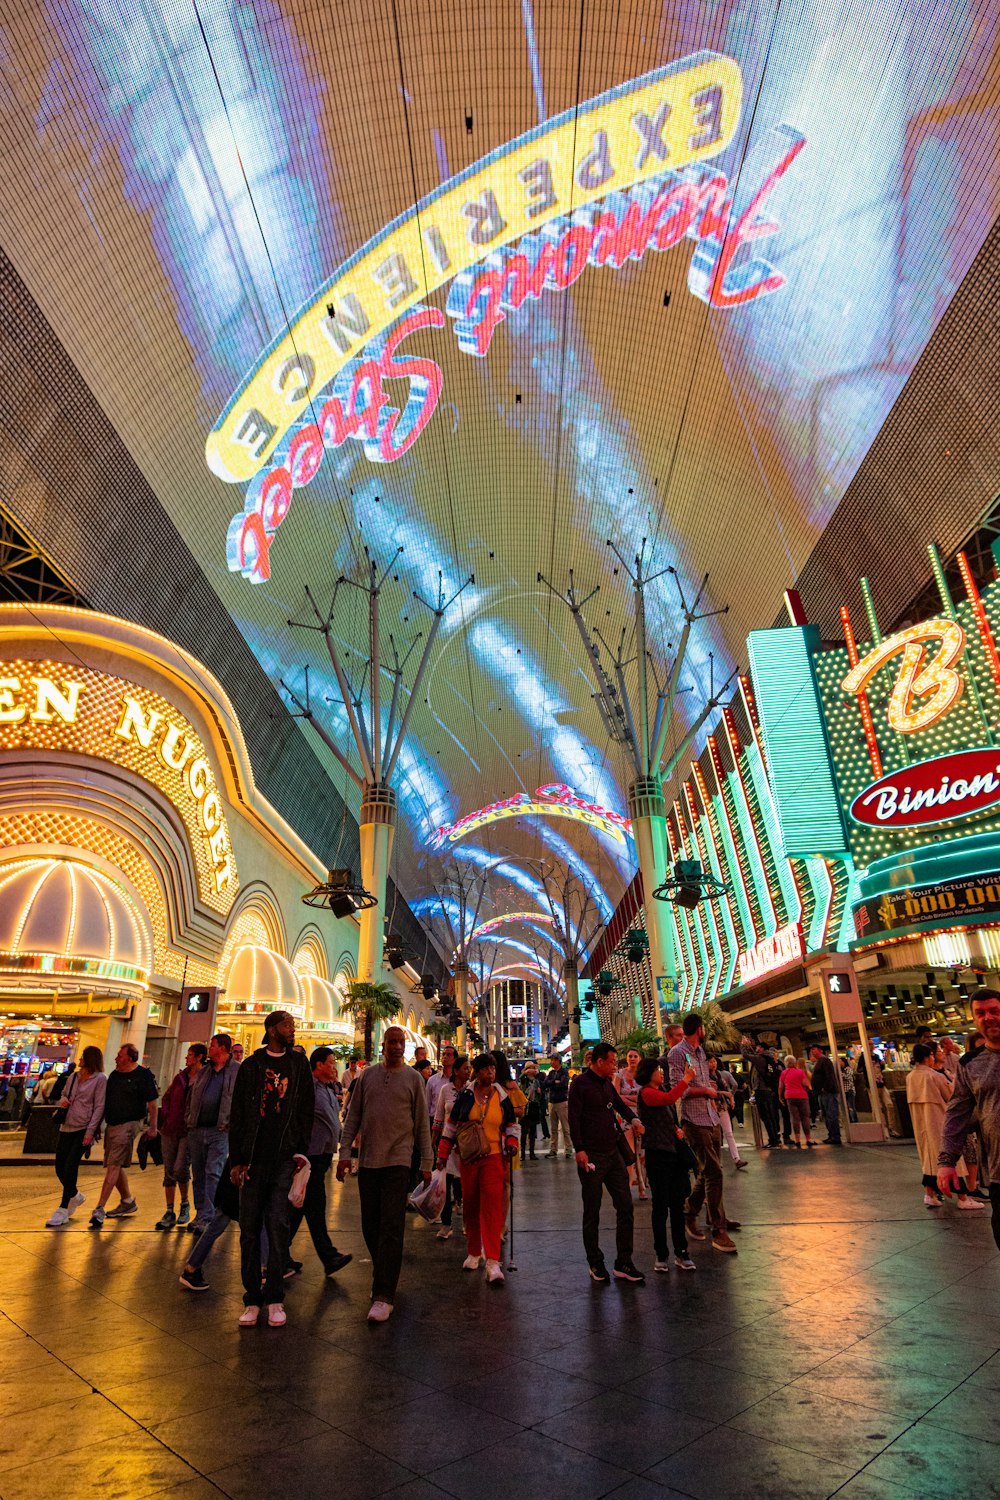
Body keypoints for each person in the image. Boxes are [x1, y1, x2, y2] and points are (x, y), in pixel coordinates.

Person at [337, 1024, 433, 1323]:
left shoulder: (414, 1079)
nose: (395, 1046)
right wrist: (343, 1155)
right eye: (391, 1041)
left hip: (398, 1161)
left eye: (399, 1042)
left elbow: (421, 1124)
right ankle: (384, 1272)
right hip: (368, 1162)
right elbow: (353, 1117)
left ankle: (383, 1295)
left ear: (403, 1046)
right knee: (370, 1224)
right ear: (383, 1045)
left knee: (391, 1225)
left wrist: (427, 1161)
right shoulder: (368, 1076)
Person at [228, 1010, 314, 1328]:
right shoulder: (252, 1066)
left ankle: (275, 1297)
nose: (292, 1030)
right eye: (286, 1025)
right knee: (249, 1230)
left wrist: (301, 1152)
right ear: (271, 1029)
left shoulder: (298, 1064)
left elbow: (306, 1109)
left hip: (283, 1160)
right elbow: (238, 1114)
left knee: (278, 1227)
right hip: (253, 1160)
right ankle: (252, 1299)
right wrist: (237, 1160)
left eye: (292, 1025)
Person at [568, 1040, 646, 1284]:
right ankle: (595, 1262)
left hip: (613, 1154)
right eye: (612, 1062)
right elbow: (574, 1118)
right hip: (591, 1156)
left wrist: (633, 1119)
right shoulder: (580, 1084)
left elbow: (621, 1106)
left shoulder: (606, 1084)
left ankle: (624, 1261)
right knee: (592, 1209)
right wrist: (579, 1149)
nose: (615, 1066)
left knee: (625, 1205)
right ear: (599, 1062)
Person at [439, 1052, 518, 1284]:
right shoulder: (465, 1096)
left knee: (492, 1206)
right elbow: (451, 1126)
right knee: (471, 1204)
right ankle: (474, 1252)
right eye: (485, 1069)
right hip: (469, 1158)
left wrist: (511, 1142)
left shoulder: (502, 1096)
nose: (490, 1073)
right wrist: (442, 1154)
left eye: (493, 1069)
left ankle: (493, 1261)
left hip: (494, 1157)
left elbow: (511, 1125)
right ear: (477, 1071)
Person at [668, 1013, 738, 1254]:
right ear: (699, 1029)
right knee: (713, 1172)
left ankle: (693, 1211)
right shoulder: (677, 1053)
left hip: (711, 1117)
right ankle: (719, 1231)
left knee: (710, 1171)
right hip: (694, 1120)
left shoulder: (700, 1053)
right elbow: (681, 1089)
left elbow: (703, 1084)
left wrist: (714, 1092)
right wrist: (705, 1091)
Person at [940, 989, 1000, 1247]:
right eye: (980, 1013)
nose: (988, 1017)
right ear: (974, 1019)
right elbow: (957, 1112)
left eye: (994, 1011)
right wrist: (946, 1161)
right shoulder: (970, 1063)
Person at [286, 1046, 352, 1278]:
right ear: (319, 1065)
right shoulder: (309, 1090)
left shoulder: (328, 1089)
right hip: (310, 1158)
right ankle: (329, 1256)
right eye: (331, 1062)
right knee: (314, 1207)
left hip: (323, 1157)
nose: (334, 1067)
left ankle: (278, 1255)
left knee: (300, 1209)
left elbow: (334, 1122)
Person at [636, 1055, 697, 1271]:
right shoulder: (646, 1093)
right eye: (657, 1070)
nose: (661, 1073)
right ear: (648, 1072)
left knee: (677, 1205)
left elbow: (667, 1115)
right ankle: (661, 1253)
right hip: (657, 1154)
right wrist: (687, 1079)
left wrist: (676, 1129)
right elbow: (670, 1099)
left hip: (672, 1153)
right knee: (660, 1206)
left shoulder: (660, 1091)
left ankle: (681, 1251)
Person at [89, 1043, 158, 1228]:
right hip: (112, 1124)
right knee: (114, 1165)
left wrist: (153, 1127)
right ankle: (127, 1201)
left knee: (113, 1164)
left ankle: (99, 1208)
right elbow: (105, 1101)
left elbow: (152, 1102)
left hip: (129, 1124)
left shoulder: (142, 1075)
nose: (116, 1058)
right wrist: (97, 1126)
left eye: (120, 1055)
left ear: (129, 1057)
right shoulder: (115, 1075)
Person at [906, 1041, 979, 1213]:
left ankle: (929, 1194)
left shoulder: (910, 1077)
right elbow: (952, 1096)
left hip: (920, 1124)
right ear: (927, 1057)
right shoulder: (934, 1076)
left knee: (928, 1159)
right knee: (950, 1158)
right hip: (939, 1121)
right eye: (932, 1054)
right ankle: (963, 1198)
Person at [185, 1032, 240, 1234]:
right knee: (198, 1174)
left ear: (223, 1049)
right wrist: (189, 1118)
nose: (210, 1048)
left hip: (220, 1130)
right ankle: (201, 1213)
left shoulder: (236, 1071)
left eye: (213, 1045)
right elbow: (193, 1096)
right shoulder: (205, 1070)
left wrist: (230, 1123)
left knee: (213, 1172)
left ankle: (210, 1216)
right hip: (198, 1129)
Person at [47, 1046, 105, 1226]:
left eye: (83, 1057)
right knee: (59, 1167)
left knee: (71, 1166)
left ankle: (63, 1208)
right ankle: (75, 1195)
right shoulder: (73, 1077)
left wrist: (90, 1132)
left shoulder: (100, 1079)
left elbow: (99, 1107)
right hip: (66, 1126)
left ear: (90, 1059)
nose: (80, 1060)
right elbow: (62, 1095)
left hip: (83, 1127)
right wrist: (63, 1102)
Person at [154, 1043, 205, 1230]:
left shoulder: (204, 1078)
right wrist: (165, 1118)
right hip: (171, 1128)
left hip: (188, 1130)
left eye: (190, 1055)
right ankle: (169, 1210)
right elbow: (167, 1098)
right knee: (169, 1169)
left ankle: (184, 1202)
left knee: (180, 1167)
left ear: (199, 1057)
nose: (187, 1058)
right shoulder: (180, 1078)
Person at [433, 1054, 470, 1238]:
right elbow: (439, 1116)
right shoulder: (445, 1090)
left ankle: (466, 1223)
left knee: (465, 1185)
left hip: (467, 1145)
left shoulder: (472, 1089)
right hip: (448, 1142)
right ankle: (446, 1224)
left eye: (469, 1068)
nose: (468, 1071)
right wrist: (434, 1141)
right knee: (445, 1185)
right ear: (456, 1071)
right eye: (465, 1068)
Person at [615, 1047, 648, 1196]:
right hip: (625, 1117)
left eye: (635, 1056)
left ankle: (642, 1187)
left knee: (642, 1153)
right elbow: (615, 1097)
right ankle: (628, 1184)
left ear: (640, 1058)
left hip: (642, 1116)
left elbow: (645, 1096)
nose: (633, 1058)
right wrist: (633, 1100)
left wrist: (626, 1098)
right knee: (630, 1153)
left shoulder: (644, 1075)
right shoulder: (619, 1075)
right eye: (630, 1056)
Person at [709, 1055, 747, 1168]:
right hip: (712, 1107)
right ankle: (716, 1160)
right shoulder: (705, 1077)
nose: (713, 1064)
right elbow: (714, 1093)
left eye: (714, 1061)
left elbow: (727, 1088)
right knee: (714, 1136)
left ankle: (737, 1159)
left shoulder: (719, 1075)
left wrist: (730, 1097)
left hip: (722, 1106)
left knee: (728, 1133)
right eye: (710, 1062)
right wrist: (728, 1095)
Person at [749, 1041, 782, 1148]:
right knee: (771, 1115)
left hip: (761, 1091)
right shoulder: (769, 1059)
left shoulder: (760, 1059)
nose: (756, 1049)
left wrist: (743, 1045)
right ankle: (775, 1138)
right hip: (768, 1090)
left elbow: (746, 1055)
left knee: (765, 1116)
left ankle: (773, 1140)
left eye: (757, 1047)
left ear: (762, 1048)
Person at [809, 1045, 843, 1145]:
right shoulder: (818, 1062)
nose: (812, 1051)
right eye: (811, 1050)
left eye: (813, 1049)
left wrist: (826, 1088)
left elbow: (829, 1075)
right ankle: (831, 1135)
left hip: (828, 1093)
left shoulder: (825, 1061)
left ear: (820, 1050)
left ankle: (835, 1136)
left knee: (831, 1114)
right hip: (822, 1093)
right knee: (827, 1115)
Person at [778, 1054, 813, 1149]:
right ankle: (808, 1139)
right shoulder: (800, 1072)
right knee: (805, 1117)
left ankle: (797, 1140)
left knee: (795, 1118)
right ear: (794, 1063)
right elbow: (805, 1083)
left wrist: (780, 1097)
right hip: (802, 1096)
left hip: (790, 1096)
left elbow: (781, 1086)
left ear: (786, 1063)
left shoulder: (783, 1073)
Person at [545, 1054, 571, 1157]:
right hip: (552, 1102)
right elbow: (545, 1083)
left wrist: (554, 1083)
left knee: (565, 1127)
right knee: (553, 1128)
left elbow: (563, 1084)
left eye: (552, 1060)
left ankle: (568, 1149)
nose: (551, 1062)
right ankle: (553, 1149)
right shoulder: (551, 1073)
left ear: (558, 1061)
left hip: (562, 1102)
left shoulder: (564, 1072)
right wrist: (554, 1082)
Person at [519, 1060, 545, 1160]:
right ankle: (522, 1154)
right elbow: (521, 1078)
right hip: (525, 1107)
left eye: (533, 1068)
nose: (532, 1070)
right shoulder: (524, 1079)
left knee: (533, 1132)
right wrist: (525, 1072)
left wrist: (539, 1092)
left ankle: (532, 1153)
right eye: (530, 1068)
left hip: (534, 1107)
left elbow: (540, 1095)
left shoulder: (536, 1081)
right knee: (524, 1132)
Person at [426, 1044, 456, 1122]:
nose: (445, 1057)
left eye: (448, 1055)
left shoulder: (458, 1081)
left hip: (451, 1122)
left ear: (455, 1059)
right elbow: (427, 1104)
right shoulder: (432, 1080)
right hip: (434, 1121)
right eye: (443, 1054)